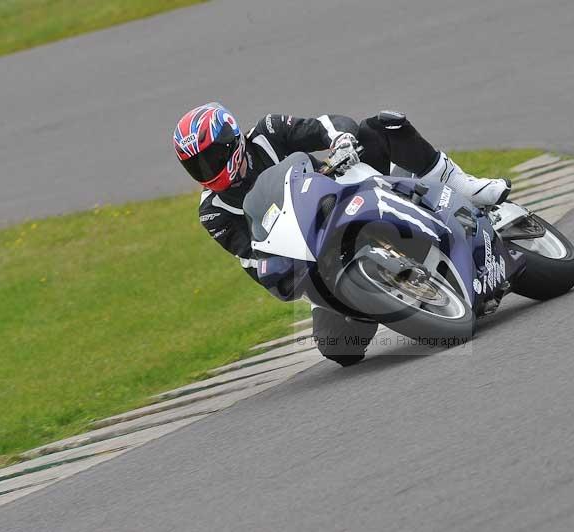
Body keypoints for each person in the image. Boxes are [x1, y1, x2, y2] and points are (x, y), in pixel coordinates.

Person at [173, 103, 510, 365]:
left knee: (379, 126)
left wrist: (340, 140)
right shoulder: (213, 212)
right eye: (197, 166)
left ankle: (464, 187)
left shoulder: (267, 131)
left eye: (211, 158)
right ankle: (393, 290)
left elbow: (324, 126)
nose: (207, 170)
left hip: (342, 191)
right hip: (315, 257)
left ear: (231, 141)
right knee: (339, 348)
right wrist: (277, 271)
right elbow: (251, 258)